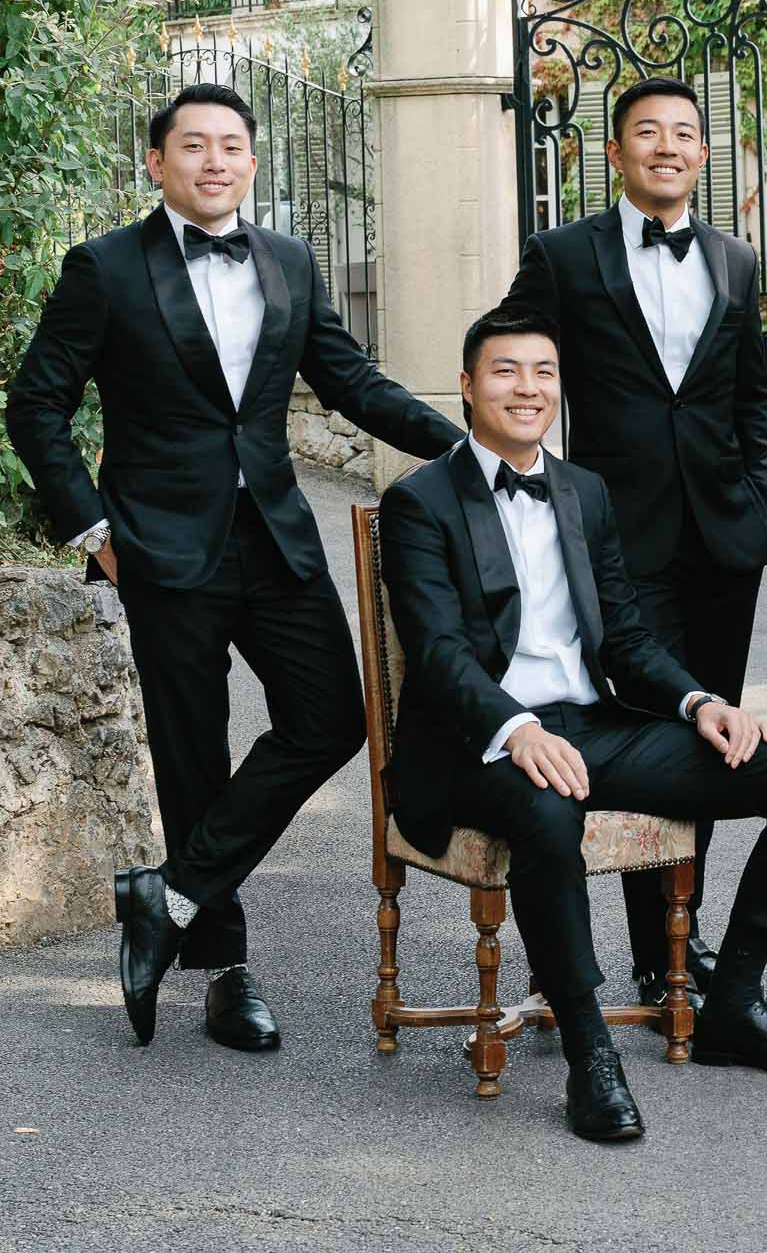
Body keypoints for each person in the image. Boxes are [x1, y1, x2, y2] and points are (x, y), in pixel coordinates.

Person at [6, 81, 462, 1052]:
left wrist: (468, 450)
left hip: (279, 537)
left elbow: (351, 380)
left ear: (252, 162)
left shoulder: (289, 261)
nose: (215, 160)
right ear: (157, 162)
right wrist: (91, 529)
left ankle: (167, 895)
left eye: (232, 146)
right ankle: (223, 969)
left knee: (334, 714)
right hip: (160, 551)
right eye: (194, 145)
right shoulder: (106, 268)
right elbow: (35, 403)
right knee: (193, 755)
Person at [380, 305, 767, 1142]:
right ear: (465, 385)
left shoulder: (583, 491)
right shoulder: (419, 502)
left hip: (593, 727)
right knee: (545, 811)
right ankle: (587, 1052)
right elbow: (439, 652)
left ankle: (735, 1003)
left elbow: (627, 638)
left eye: (543, 373)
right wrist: (517, 729)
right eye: (504, 371)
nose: (526, 388)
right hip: (475, 741)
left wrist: (700, 702)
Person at [507, 76, 767, 1007]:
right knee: (626, 736)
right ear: (617, 153)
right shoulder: (562, 255)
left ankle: (678, 941)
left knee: (708, 740)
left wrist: (761, 504)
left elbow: (751, 398)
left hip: (721, 541)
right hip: (612, 540)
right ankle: (597, 955)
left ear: (703, 154)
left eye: (684, 134)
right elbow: (512, 368)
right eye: (647, 133)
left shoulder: (736, 261)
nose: (666, 147)